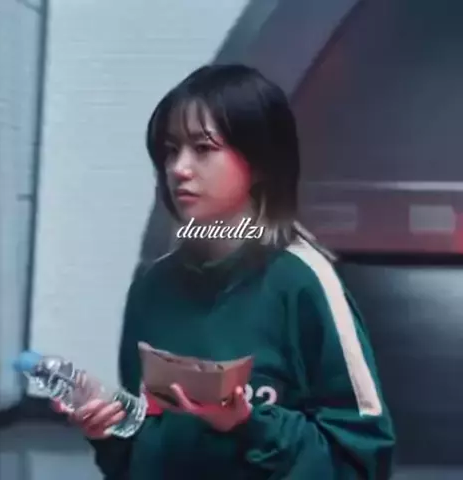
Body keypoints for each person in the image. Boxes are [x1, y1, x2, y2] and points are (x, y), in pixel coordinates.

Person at [55, 64, 396, 479]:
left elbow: (360, 460)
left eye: (203, 148)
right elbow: (138, 458)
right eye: (170, 150)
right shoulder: (151, 288)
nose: (178, 168)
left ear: (260, 163)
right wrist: (110, 433)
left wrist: (249, 424)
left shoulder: (303, 282)